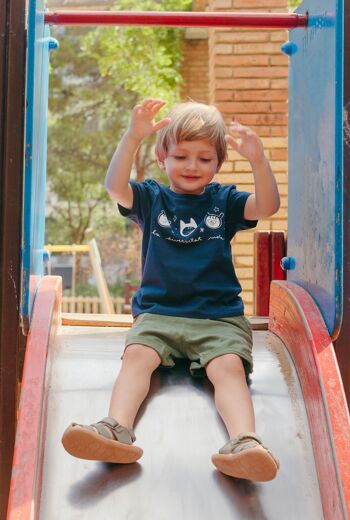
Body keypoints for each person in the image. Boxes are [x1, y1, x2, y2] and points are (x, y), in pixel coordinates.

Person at [62, 98, 281, 481]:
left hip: (218, 318)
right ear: (163, 158)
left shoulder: (224, 201)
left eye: (204, 158)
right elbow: (114, 186)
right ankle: (115, 428)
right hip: (159, 315)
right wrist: (132, 137)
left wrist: (259, 161)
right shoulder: (151, 198)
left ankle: (245, 443)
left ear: (218, 163)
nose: (192, 166)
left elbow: (266, 206)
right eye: (181, 156)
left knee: (227, 368)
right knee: (137, 357)